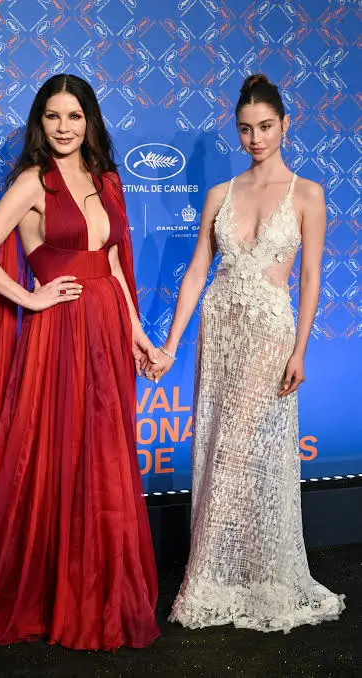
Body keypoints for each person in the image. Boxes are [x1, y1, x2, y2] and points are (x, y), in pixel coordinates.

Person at [0, 74, 160, 656]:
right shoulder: (32, 181)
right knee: (58, 457)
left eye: (74, 116)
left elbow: (114, 266)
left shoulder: (106, 180)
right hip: (60, 335)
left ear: (89, 121)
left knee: (102, 458)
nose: (63, 127)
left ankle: (98, 591)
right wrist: (31, 297)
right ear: (39, 123)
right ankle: (56, 595)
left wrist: (138, 334)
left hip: (108, 331)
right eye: (53, 116)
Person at [147, 74, 345, 633]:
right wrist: (170, 345)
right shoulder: (220, 194)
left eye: (265, 127)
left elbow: (310, 278)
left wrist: (301, 350)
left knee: (246, 453)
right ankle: (221, 575)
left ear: (285, 125)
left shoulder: (308, 194)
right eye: (245, 129)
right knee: (217, 447)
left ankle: (246, 576)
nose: (255, 138)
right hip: (220, 329)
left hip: (269, 332)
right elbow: (196, 274)